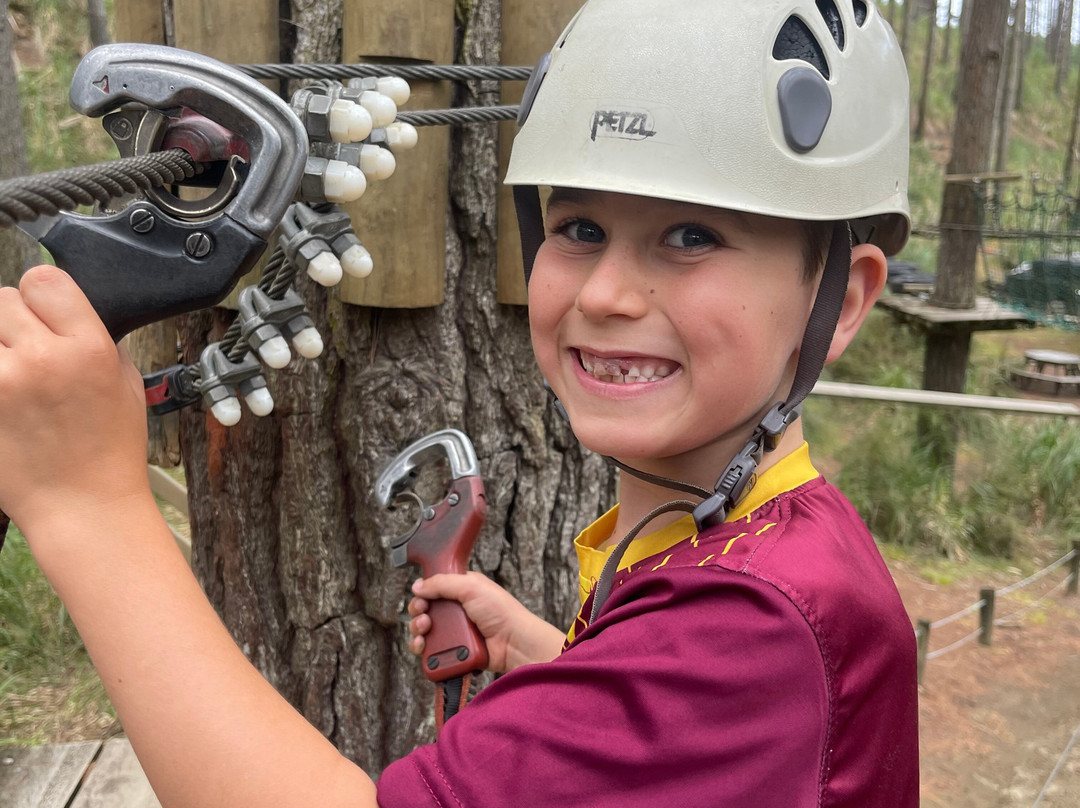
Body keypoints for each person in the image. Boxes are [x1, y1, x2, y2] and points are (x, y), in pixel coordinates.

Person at [0, 0, 918, 806]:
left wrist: (90, 505)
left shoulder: (759, 630)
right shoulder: (761, 547)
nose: (604, 294)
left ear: (837, 301)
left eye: (691, 235)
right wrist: (568, 671)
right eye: (581, 229)